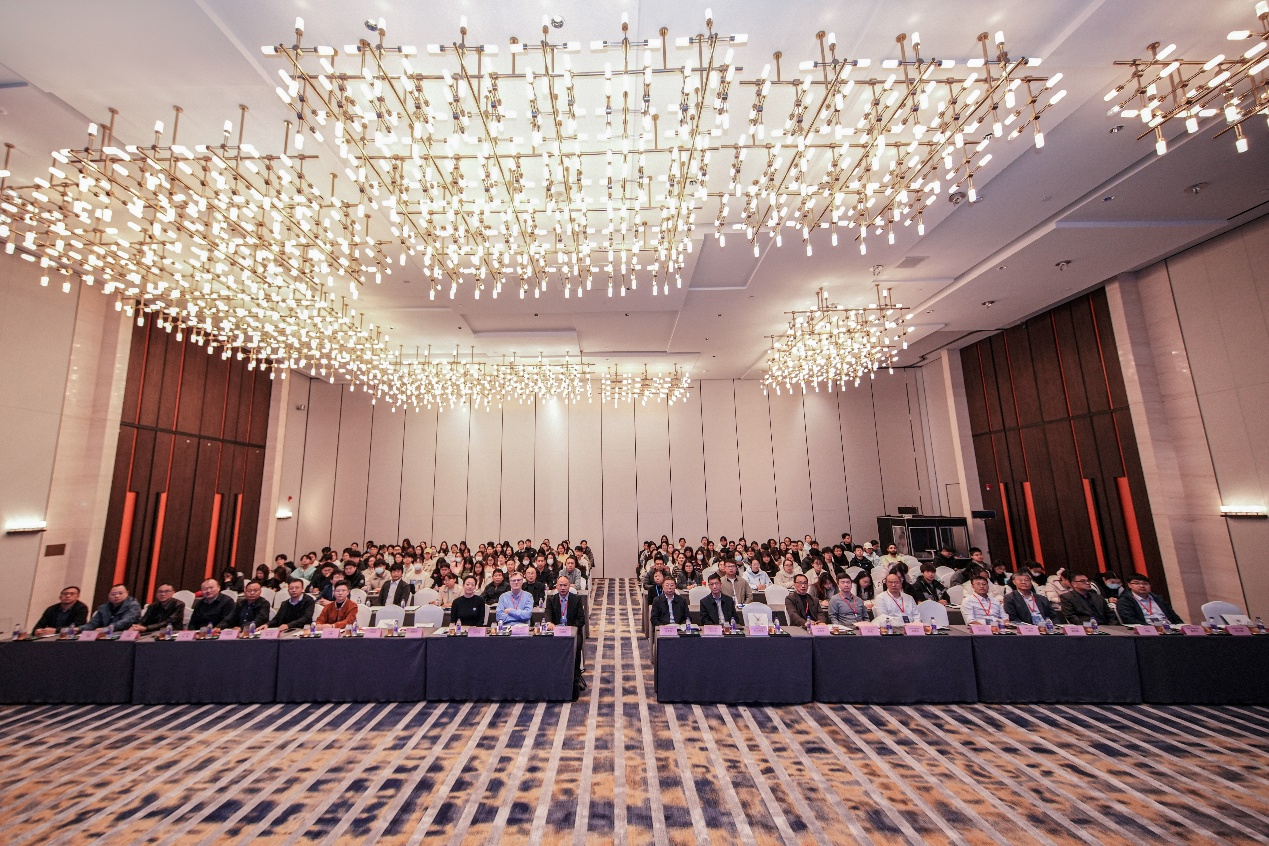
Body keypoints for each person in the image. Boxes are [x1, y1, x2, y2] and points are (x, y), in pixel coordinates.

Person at [545, 576, 588, 696]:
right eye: (560, 585)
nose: (563, 588)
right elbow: (548, 614)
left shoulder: (576, 599)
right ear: (556, 587)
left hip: (572, 632)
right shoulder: (551, 599)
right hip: (556, 632)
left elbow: (581, 619)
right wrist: (549, 623)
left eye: (565, 585)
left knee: (577, 645)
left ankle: (575, 678)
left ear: (569, 586)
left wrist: (572, 628)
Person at [1114, 573, 1183, 626]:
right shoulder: (1125, 600)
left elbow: (1174, 616)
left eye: (1145, 583)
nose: (1142, 586)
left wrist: (1182, 626)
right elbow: (1129, 620)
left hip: (1169, 628)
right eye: (1136, 583)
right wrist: (1152, 627)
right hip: (1146, 630)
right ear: (1129, 585)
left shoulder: (1158, 599)